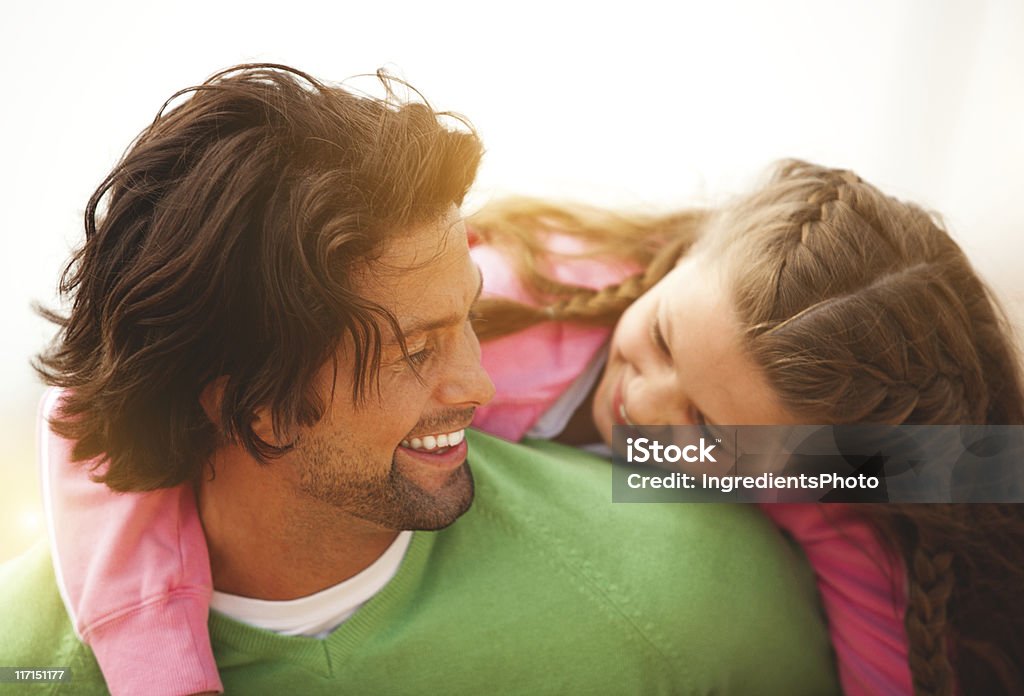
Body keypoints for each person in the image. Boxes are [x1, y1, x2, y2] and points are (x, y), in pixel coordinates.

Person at [32, 141, 1024, 694]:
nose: (646, 409)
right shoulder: (498, 311)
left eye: (711, 433)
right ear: (678, 265)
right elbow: (100, 402)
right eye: (665, 343)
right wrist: (161, 672)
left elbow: (938, 495)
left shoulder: (809, 477)